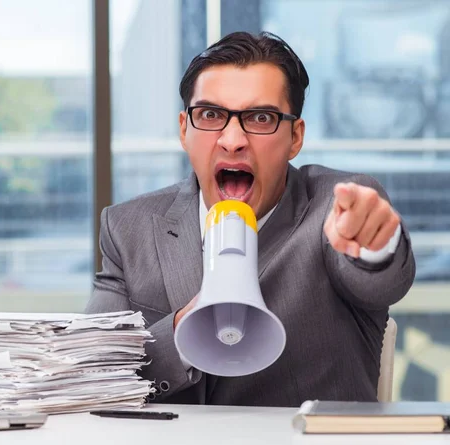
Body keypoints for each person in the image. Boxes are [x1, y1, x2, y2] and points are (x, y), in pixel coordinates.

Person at [85, 31, 415, 406]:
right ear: (184, 129)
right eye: (210, 115)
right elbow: (94, 372)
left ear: (295, 136)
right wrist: (181, 331)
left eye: (260, 117)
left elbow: (381, 281)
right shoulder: (129, 228)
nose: (232, 140)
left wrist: (376, 246)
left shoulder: (335, 207)